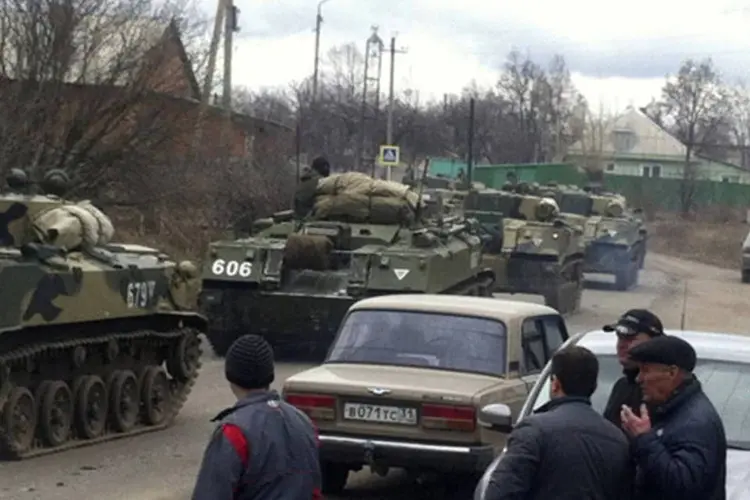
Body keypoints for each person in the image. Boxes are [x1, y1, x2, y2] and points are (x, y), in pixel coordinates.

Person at [481, 346, 632, 500]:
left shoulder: (533, 431)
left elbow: (500, 493)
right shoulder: (618, 440)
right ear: (594, 386)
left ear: (555, 384)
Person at [191, 335, 322, 500]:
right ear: (269, 374)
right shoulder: (305, 423)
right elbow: (314, 490)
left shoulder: (234, 432)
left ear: (230, 375)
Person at [621, 335, 727, 500]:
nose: (639, 378)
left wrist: (644, 439)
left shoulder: (695, 422)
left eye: (645, 370)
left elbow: (683, 485)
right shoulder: (671, 410)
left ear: (672, 372)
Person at [602, 309, 664, 429]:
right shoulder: (621, 387)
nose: (621, 345)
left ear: (654, 342)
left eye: (630, 339)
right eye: (619, 338)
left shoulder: (660, 391)